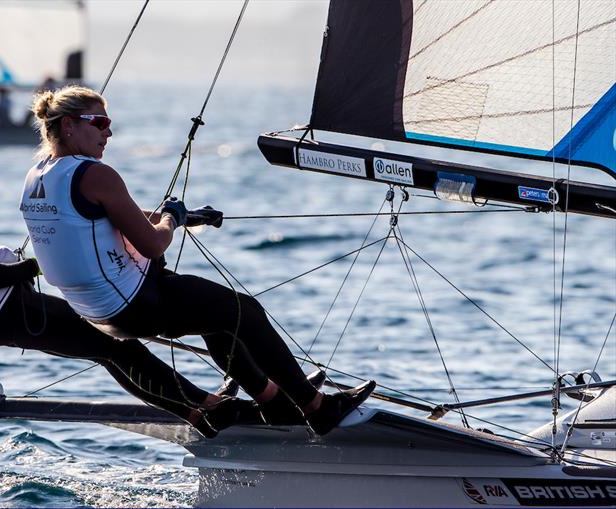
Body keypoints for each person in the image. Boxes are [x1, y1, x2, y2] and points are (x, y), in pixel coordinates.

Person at [21, 86, 376, 436]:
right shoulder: (97, 174)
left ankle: (273, 401)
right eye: (99, 122)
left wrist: (182, 215)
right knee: (244, 313)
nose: (109, 132)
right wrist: (170, 220)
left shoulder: (39, 173)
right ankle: (317, 408)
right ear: (69, 125)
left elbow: (105, 216)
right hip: (138, 302)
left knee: (217, 318)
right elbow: (153, 245)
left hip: (99, 313)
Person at [0, 118, 258, 439]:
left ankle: (199, 410)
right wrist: (44, 264)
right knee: (116, 346)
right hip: (7, 309)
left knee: (109, 351)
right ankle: (210, 408)